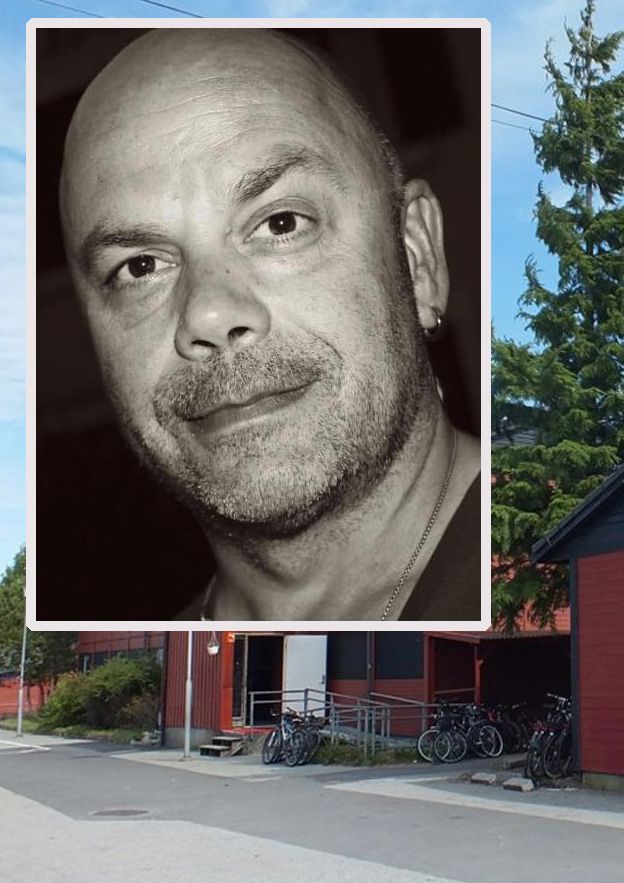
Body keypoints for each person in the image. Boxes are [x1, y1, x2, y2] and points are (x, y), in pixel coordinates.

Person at [58, 28, 484, 621]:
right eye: (140, 266)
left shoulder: (558, 561)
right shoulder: (158, 661)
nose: (208, 314)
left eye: (281, 223)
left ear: (417, 259)